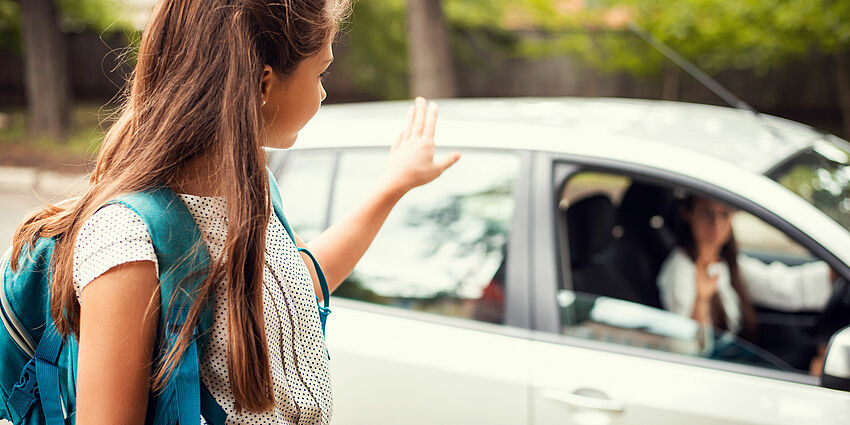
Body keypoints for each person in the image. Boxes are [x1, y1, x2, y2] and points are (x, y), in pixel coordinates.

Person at [9, 1, 459, 423]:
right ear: (264, 83)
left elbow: (300, 281)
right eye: (320, 71)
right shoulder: (126, 239)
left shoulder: (254, 189)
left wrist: (395, 183)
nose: (323, 92)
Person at [656, 195, 835, 341]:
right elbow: (688, 346)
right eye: (706, 213)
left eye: (724, 214)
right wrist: (701, 300)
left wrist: (834, 272)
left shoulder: (727, 263)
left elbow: (780, 286)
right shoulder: (681, 269)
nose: (716, 224)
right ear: (688, 215)